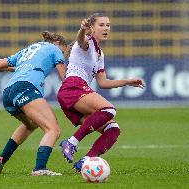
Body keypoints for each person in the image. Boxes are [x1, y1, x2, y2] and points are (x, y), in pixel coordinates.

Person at [57, 13, 145, 172]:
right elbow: (80, 40)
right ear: (91, 27)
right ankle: (71, 142)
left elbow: (103, 82)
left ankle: (86, 161)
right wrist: (82, 30)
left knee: (113, 129)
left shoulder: (99, 54)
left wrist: (127, 81)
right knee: (109, 110)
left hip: (76, 93)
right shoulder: (86, 43)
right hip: (73, 87)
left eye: (108, 25)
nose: (106, 28)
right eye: (102, 25)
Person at [0, 31, 68, 176]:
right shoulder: (54, 49)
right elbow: (65, 78)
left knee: (30, 125)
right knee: (53, 129)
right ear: (57, 43)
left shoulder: (27, 50)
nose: (62, 56)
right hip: (26, 88)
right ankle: (40, 168)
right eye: (63, 52)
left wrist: (21, 68)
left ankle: (1, 158)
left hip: (8, 92)